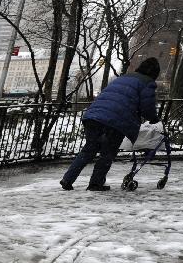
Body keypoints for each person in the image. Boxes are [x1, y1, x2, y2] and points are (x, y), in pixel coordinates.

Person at [60, 58, 161, 191]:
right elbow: (147, 106)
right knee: (107, 153)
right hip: (115, 121)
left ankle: (67, 179)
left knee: (88, 150)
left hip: (94, 116)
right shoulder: (147, 83)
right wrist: (154, 118)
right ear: (154, 73)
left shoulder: (124, 78)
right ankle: (95, 183)